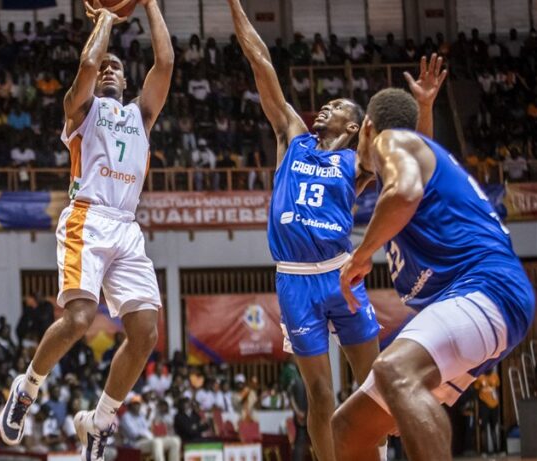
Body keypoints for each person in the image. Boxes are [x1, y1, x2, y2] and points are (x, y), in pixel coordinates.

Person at [225, 2, 445, 459]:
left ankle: (379, 456)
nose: (325, 106)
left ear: (355, 125)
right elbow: (261, 60)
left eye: (338, 106)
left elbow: (421, 159)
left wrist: (424, 109)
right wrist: (234, 5)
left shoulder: (358, 163)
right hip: (294, 280)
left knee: (376, 383)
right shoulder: (292, 136)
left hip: (341, 275)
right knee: (320, 395)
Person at [0, 1, 174, 460]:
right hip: (88, 218)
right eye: (107, 67)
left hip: (127, 227)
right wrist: (107, 21)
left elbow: (166, 62)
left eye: (119, 67)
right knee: (79, 319)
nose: (111, 69)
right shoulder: (81, 111)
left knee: (146, 333)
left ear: (127, 81)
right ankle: (27, 386)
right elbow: (89, 61)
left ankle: (99, 421)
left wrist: (151, 3)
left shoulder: (141, 115)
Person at [333, 88, 536, 461]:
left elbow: (405, 190)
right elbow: (417, 168)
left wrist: (362, 256)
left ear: (367, 127)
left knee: (396, 371)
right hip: (481, 303)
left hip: (487, 287)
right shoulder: (414, 160)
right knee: (349, 426)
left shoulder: (389, 141)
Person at [120, 396, 180, 461]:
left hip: (149, 439)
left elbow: (148, 428)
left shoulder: (141, 416)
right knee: (157, 442)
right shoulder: (126, 417)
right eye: (135, 404)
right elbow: (134, 434)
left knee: (175, 440)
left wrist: (149, 434)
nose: (137, 406)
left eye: (139, 404)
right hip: (135, 443)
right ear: (130, 406)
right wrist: (147, 434)